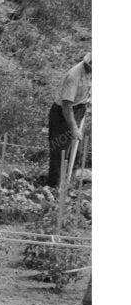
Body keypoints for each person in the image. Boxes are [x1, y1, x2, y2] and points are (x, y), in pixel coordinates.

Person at [47, 52, 91, 197]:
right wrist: (73, 128)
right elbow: (66, 105)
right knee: (60, 151)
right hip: (62, 113)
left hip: (80, 108)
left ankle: (69, 184)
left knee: (75, 151)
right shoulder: (74, 76)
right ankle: (54, 189)